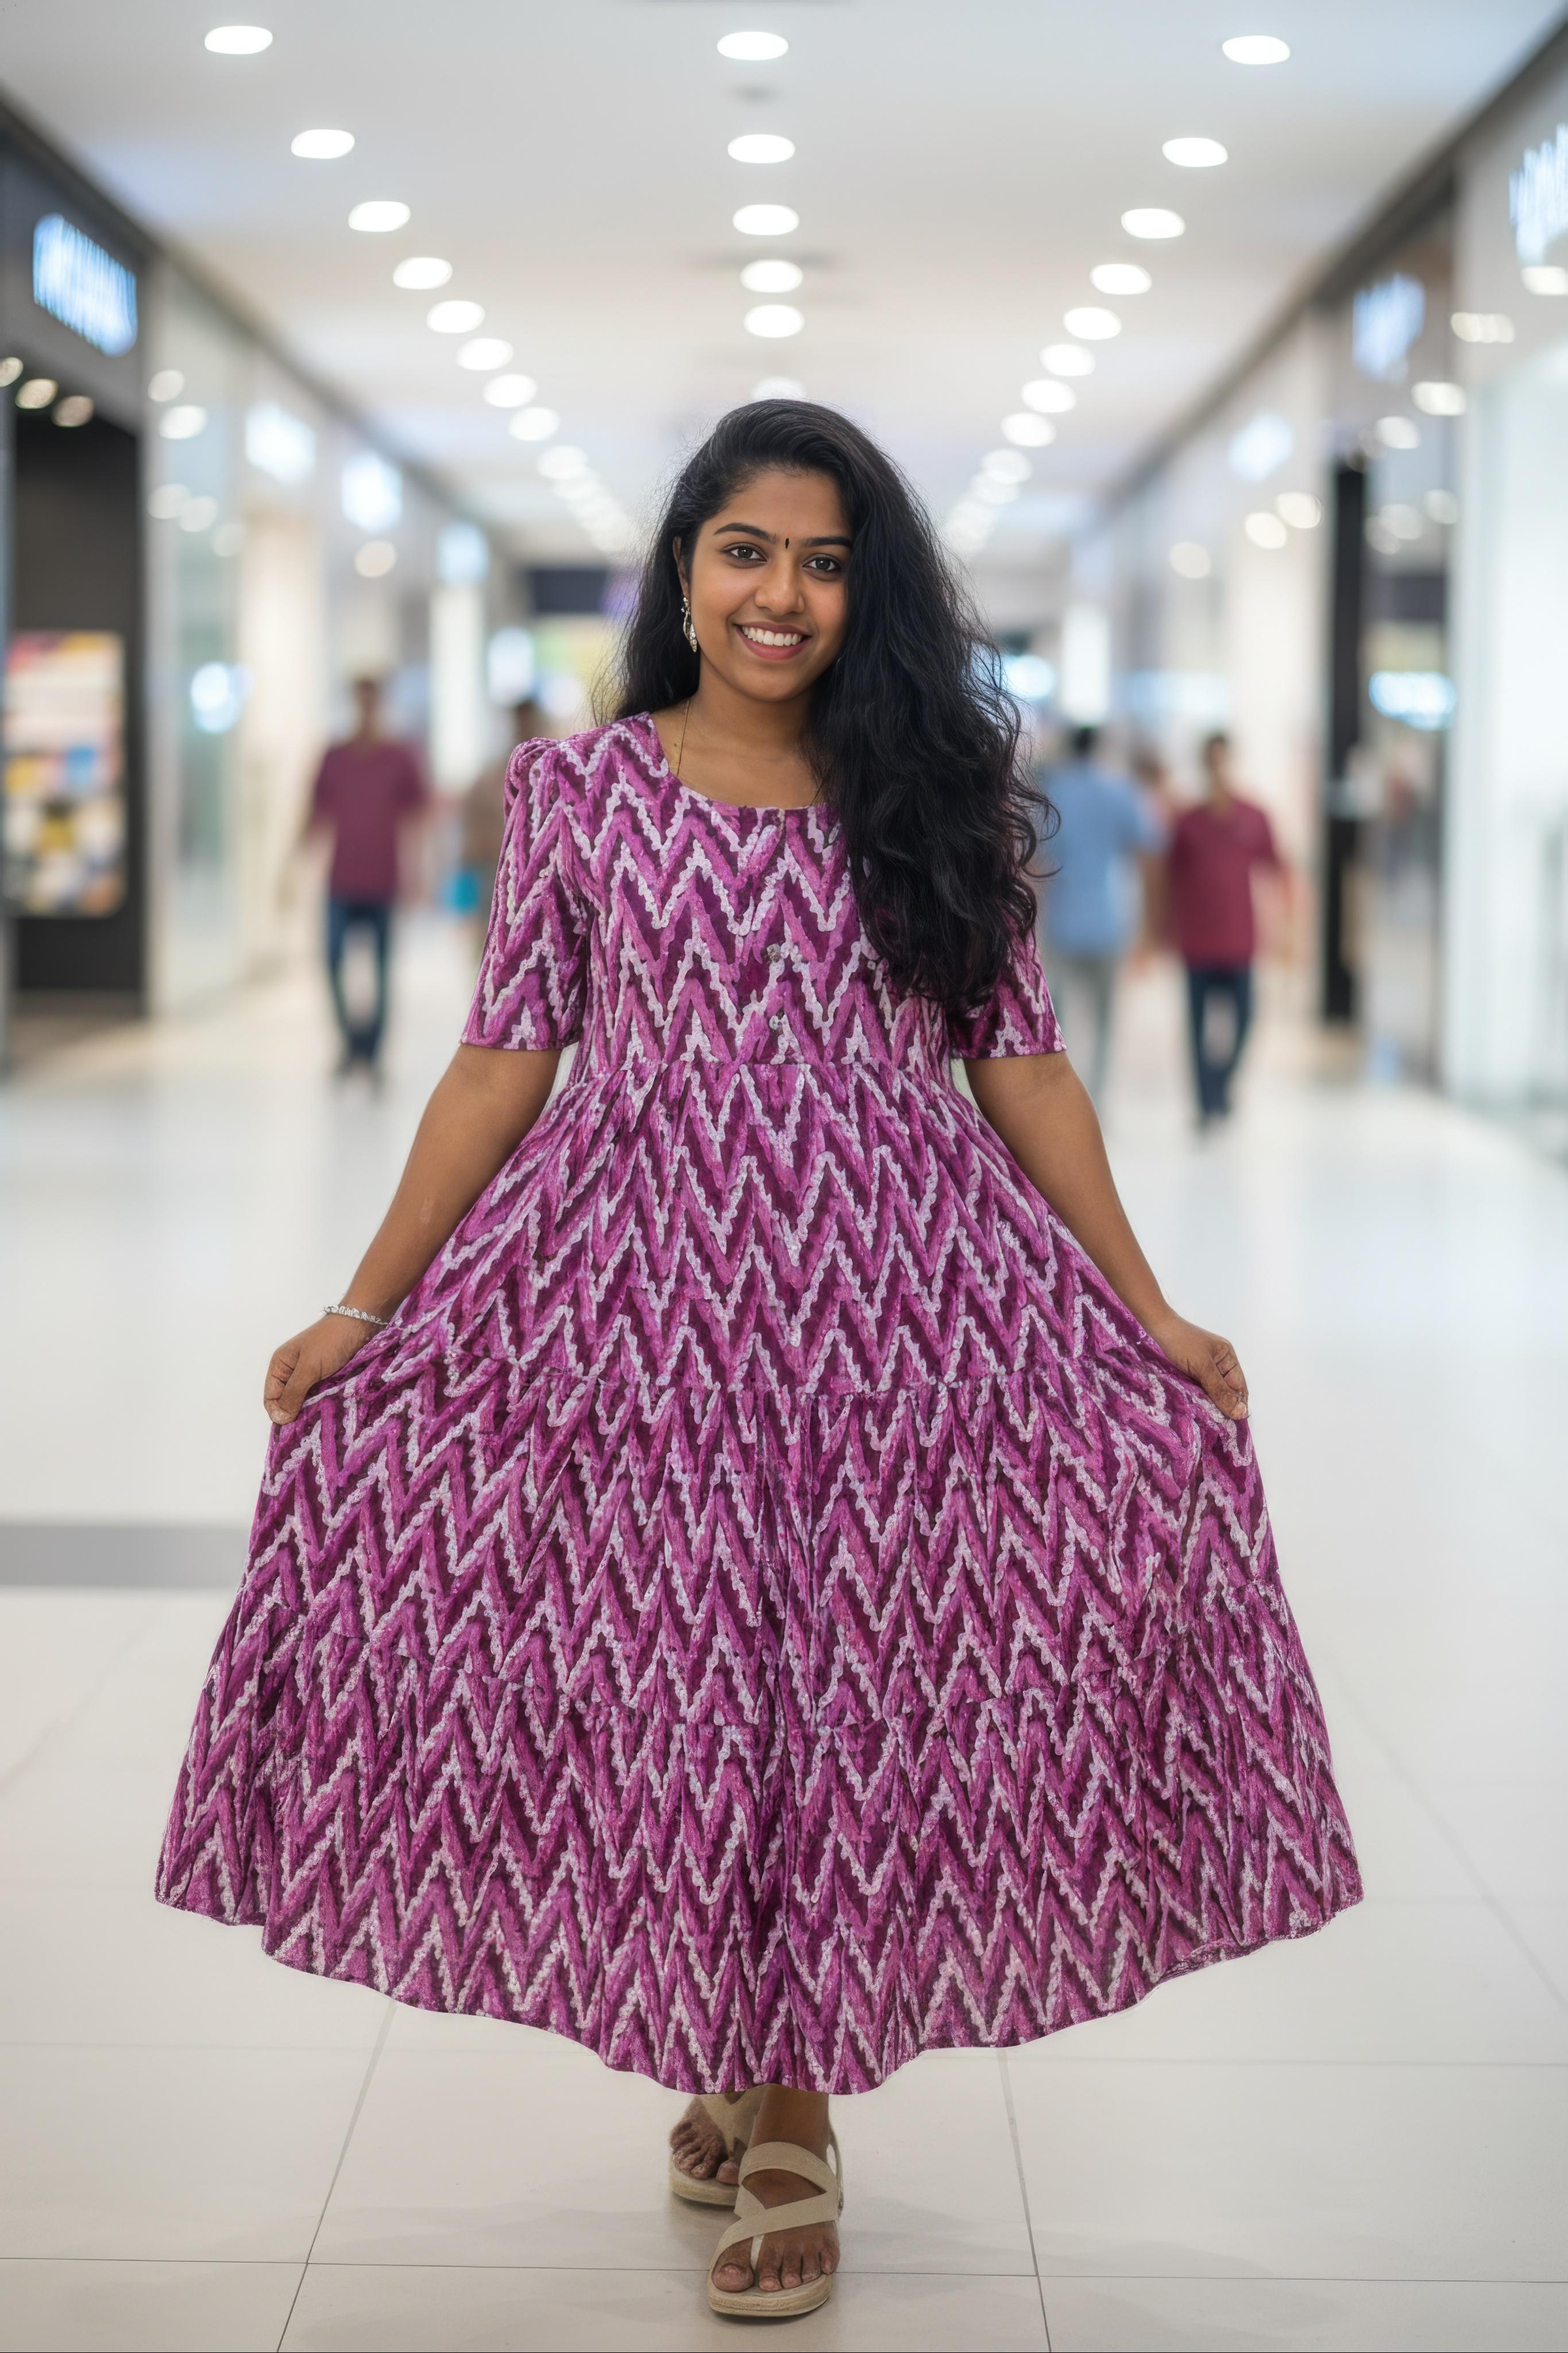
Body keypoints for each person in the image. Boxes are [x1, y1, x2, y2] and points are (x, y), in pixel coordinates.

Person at [157, 403, 1358, 2326]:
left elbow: (1022, 1054)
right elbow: (500, 1056)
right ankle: (738, 2051)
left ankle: (791, 2103)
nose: (782, 594)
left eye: (823, 560)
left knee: (846, 1684)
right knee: (692, 1679)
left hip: (901, 1305)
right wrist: (366, 1308)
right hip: (627, 1313)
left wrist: (1138, 1298)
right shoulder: (579, 795)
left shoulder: (938, 796)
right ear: (685, 570)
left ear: (866, 591)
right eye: (746, 551)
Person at [303, 676, 430, 1077]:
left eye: (372, 700)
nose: (366, 708)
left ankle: (372, 1052)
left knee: (381, 969)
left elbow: (418, 818)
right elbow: (314, 813)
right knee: (333, 960)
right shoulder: (335, 756)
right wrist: (289, 873)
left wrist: (419, 871)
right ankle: (349, 1043)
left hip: (383, 878)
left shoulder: (399, 757)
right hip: (341, 879)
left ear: (380, 703)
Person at [1037, 724, 1165, 1098]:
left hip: (1062, 918)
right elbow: (1150, 848)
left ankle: (1063, 1095)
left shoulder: (1053, 792)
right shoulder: (1119, 791)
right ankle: (1097, 1096)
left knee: (1058, 1020)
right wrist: (1149, 928)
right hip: (1108, 918)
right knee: (1105, 1017)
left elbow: (1034, 860)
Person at [1168, 731, 1287, 1125]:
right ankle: (1205, 1103)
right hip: (1198, 941)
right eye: (1211, 759)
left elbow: (1278, 870)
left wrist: (1289, 931)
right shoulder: (1187, 821)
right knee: (1198, 1026)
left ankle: (1220, 1085)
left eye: (1223, 759)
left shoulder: (1254, 816)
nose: (1218, 767)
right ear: (1204, 764)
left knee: (1246, 1018)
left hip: (1239, 940)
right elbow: (1170, 880)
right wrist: (1160, 933)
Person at [462, 696, 546, 954]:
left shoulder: (556, 770)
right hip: (497, 871)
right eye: (521, 720)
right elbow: (473, 828)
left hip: (541, 876)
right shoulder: (493, 775)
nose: (525, 725)